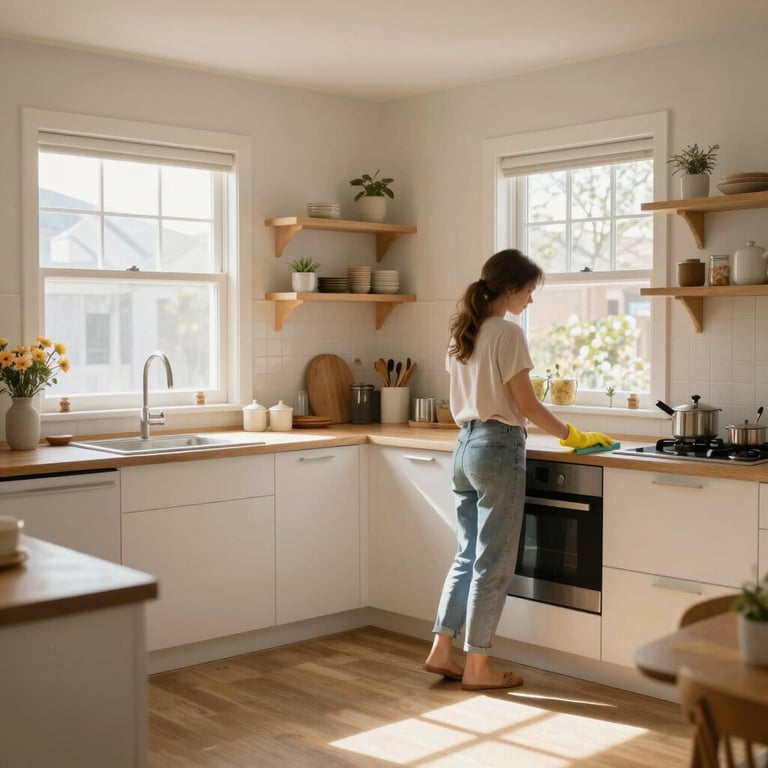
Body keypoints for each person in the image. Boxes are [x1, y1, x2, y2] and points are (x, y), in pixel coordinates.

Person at [423, 248, 614, 691]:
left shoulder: (462, 334)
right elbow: (526, 405)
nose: (530, 301)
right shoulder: (507, 334)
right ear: (510, 288)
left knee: (468, 555)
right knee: (495, 562)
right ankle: (477, 667)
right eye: (529, 291)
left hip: (465, 447)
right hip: (498, 448)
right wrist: (573, 434)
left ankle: (441, 650)